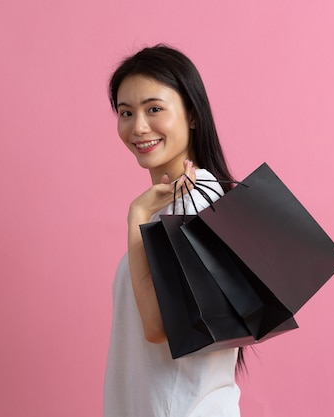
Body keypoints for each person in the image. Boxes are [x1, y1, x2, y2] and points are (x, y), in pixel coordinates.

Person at [103, 44, 243, 417]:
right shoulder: (170, 207)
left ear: (192, 115)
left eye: (154, 109)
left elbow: (158, 326)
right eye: (125, 112)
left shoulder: (198, 204)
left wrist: (135, 217)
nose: (138, 127)